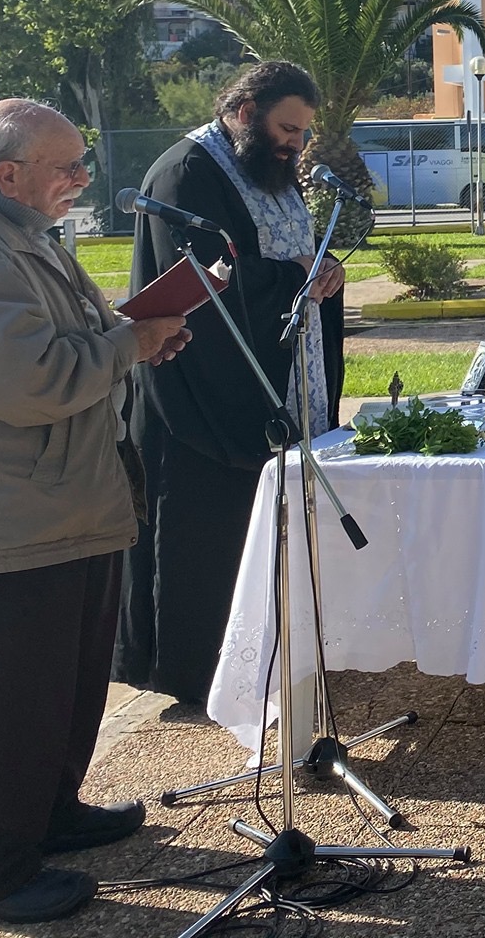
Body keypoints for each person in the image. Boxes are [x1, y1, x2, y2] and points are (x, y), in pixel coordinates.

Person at [0, 101, 192, 923]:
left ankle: (49, 816)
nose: (82, 179)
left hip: (64, 500)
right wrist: (129, 345)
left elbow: (72, 344)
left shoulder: (18, 234)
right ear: (9, 174)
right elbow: (29, 384)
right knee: (11, 705)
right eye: (67, 167)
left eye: (82, 162)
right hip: (17, 515)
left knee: (63, 686)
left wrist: (134, 332)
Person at [114, 62, 346, 704]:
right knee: (202, 540)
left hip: (272, 378)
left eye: (302, 133)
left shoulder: (265, 169)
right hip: (202, 394)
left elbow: (289, 257)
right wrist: (293, 273)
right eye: (287, 128)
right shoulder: (187, 173)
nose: (295, 144)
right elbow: (201, 284)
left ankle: (270, 654)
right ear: (244, 111)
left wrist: (322, 275)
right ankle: (197, 677)